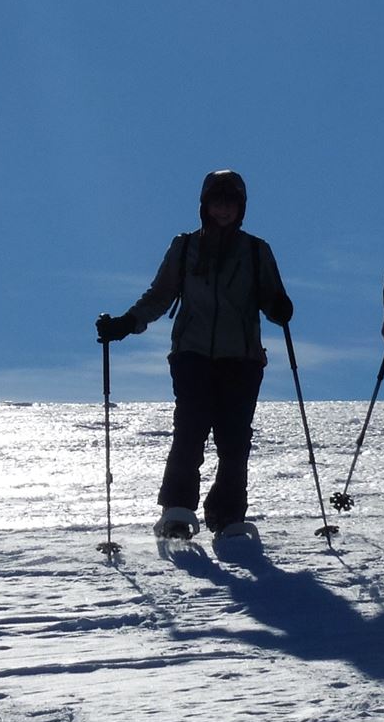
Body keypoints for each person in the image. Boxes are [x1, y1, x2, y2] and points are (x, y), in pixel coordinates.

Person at [96, 169, 293, 539]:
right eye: (217, 203)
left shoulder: (256, 250)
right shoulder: (185, 247)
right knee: (189, 431)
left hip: (242, 358)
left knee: (234, 439)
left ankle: (228, 515)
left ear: (241, 208)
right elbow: (160, 294)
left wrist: (279, 306)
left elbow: (270, 296)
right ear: (204, 206)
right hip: (192, 354)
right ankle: (178, 510)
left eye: (230, 204)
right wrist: (127, 323)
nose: (223, 210)